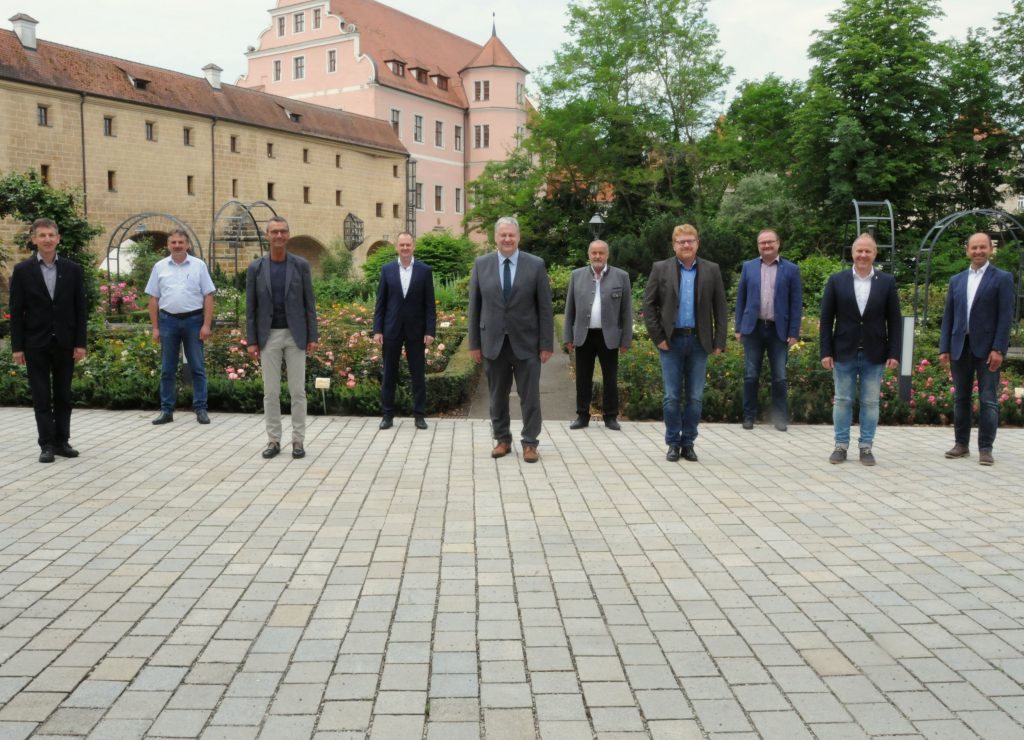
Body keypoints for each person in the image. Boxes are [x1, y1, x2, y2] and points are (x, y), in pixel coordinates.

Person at [468, 216, 554, 463]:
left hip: (527, 343)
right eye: (503, 235)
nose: (507, 239)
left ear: (518, 238)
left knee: (530, 397)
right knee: (497, 396)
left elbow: (545, 308)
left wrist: (546, 344)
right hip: (493, 343)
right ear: (495, 237)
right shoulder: (481, 264)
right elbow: (474, 306)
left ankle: (530, 443)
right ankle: (502, 440)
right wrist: (474, 343)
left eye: (511, 235)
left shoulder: (535, 265)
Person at [642, 223, 727, 462]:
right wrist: (658, 337)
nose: (686, 245)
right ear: (674, 245)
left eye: (690, 240)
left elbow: (720, 307)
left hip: (700, 342)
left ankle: (688, 442)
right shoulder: (660, 268)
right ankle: (672, 442)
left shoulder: (711, 269)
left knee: (696, 397)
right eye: (682, 241)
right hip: (671, 342)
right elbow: (648, 306)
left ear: (697, 243)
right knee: (671, 396)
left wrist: (719, 340)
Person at [8, 218, 87, 463]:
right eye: (42, 235)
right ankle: (47, 445)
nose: (47, 240)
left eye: (51, 235)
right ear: (34, 239)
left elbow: (80, 309)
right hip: (35, 343)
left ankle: (62, 441)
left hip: (65, 342)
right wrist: (17, 347)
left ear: (58, 238)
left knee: (63, 395)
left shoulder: (73, 270)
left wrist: (80, 343)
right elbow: (16, 310)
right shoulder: (22, 271)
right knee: (41, 396)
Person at [819, 233, 901, 466]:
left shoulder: (886, 282)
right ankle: (840, 446)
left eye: (868, 251)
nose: (863, 255)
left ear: (875, 254)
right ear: (852, 253)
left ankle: (866, 447)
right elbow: (826, 319)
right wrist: (825, 351)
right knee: (843, 400)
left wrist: (894, 353)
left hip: (875, 352)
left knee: (870, 402)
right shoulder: (837, 280)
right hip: (843, 350)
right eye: (859, 251)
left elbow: (894, 321)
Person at [939, 232, 1015, 466]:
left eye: (983, 247)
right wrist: (944, 347)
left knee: (988, 399)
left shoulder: (1002, 278)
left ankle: (985, 448)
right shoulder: (957, 280)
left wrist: (999, 349)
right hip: (960, 347)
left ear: (991, 249)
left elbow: (1005, 316)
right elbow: (948, 316)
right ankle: (961, 444)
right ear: (967, 250)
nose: (978, 251)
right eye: (974, 248)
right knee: (960, 398)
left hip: (988, 349)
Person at [246, 216, 318, 460]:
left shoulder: (300, 265)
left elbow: (310, 303)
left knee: (298, 392)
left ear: (288, 235)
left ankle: (298, 441)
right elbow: (251, 307)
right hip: (268, 337)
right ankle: (274, 440)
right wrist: (252, 340)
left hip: (296, 335)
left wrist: (313, 335)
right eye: (274, 232)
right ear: (267, 235)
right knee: (271, 392)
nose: (279, 236)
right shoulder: (256, 268)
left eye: (283, 231)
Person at [734, 229, 803, 431]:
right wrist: (738, 327)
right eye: (762, 243)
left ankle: (780, 418)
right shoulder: (748, 267)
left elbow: (795, 303)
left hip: (778, 331)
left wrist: (794, 332)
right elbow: (741, 299)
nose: (766, 246)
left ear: (778, 243)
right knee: (750, 375)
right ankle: (749, 416)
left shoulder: (791, 269)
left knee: (780, 376)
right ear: (758, 246)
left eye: (770, 242)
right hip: (752, 329)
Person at [146, 229, 216, 425]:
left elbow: (208, 296)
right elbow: (153, 298)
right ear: (168, 245)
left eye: (180, 242)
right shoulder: (159, 267)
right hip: (168, 322)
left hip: (194, 321)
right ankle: (166, 410)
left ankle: (201, 409)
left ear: (188, 245)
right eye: (173, 242)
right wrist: (155, 327)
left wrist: (206, 325)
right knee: (167, 369)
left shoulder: (198, 266)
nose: (177, 245)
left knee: (198, 367)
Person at [564, 239, 632, 430]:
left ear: (607, 255)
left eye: (601, 253)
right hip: (584, 335)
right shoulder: (576, 276)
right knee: (582, 377)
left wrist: (626, 339)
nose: (597, 256)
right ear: (589, 255)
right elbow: (569, 309)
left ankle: (610, 416)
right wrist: (567, 337)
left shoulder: (621, 276)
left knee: (610, 377)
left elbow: (627, 311)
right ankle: (582, 415)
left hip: (608, 336)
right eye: (594, 253)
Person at [373, 232, 437, 430]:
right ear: (396, 247)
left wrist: (430, 331)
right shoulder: (387, 270)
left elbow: (429, 305)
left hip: (416, 331)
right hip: (391, 330)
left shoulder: (425, 271)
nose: (405, 248)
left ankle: (419, 415)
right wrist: (377, 330)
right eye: (401, 245)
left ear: (413, 246)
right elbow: (380, 303)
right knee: (389, 374)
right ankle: (387, 416)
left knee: (417, 374)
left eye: (408, 245)